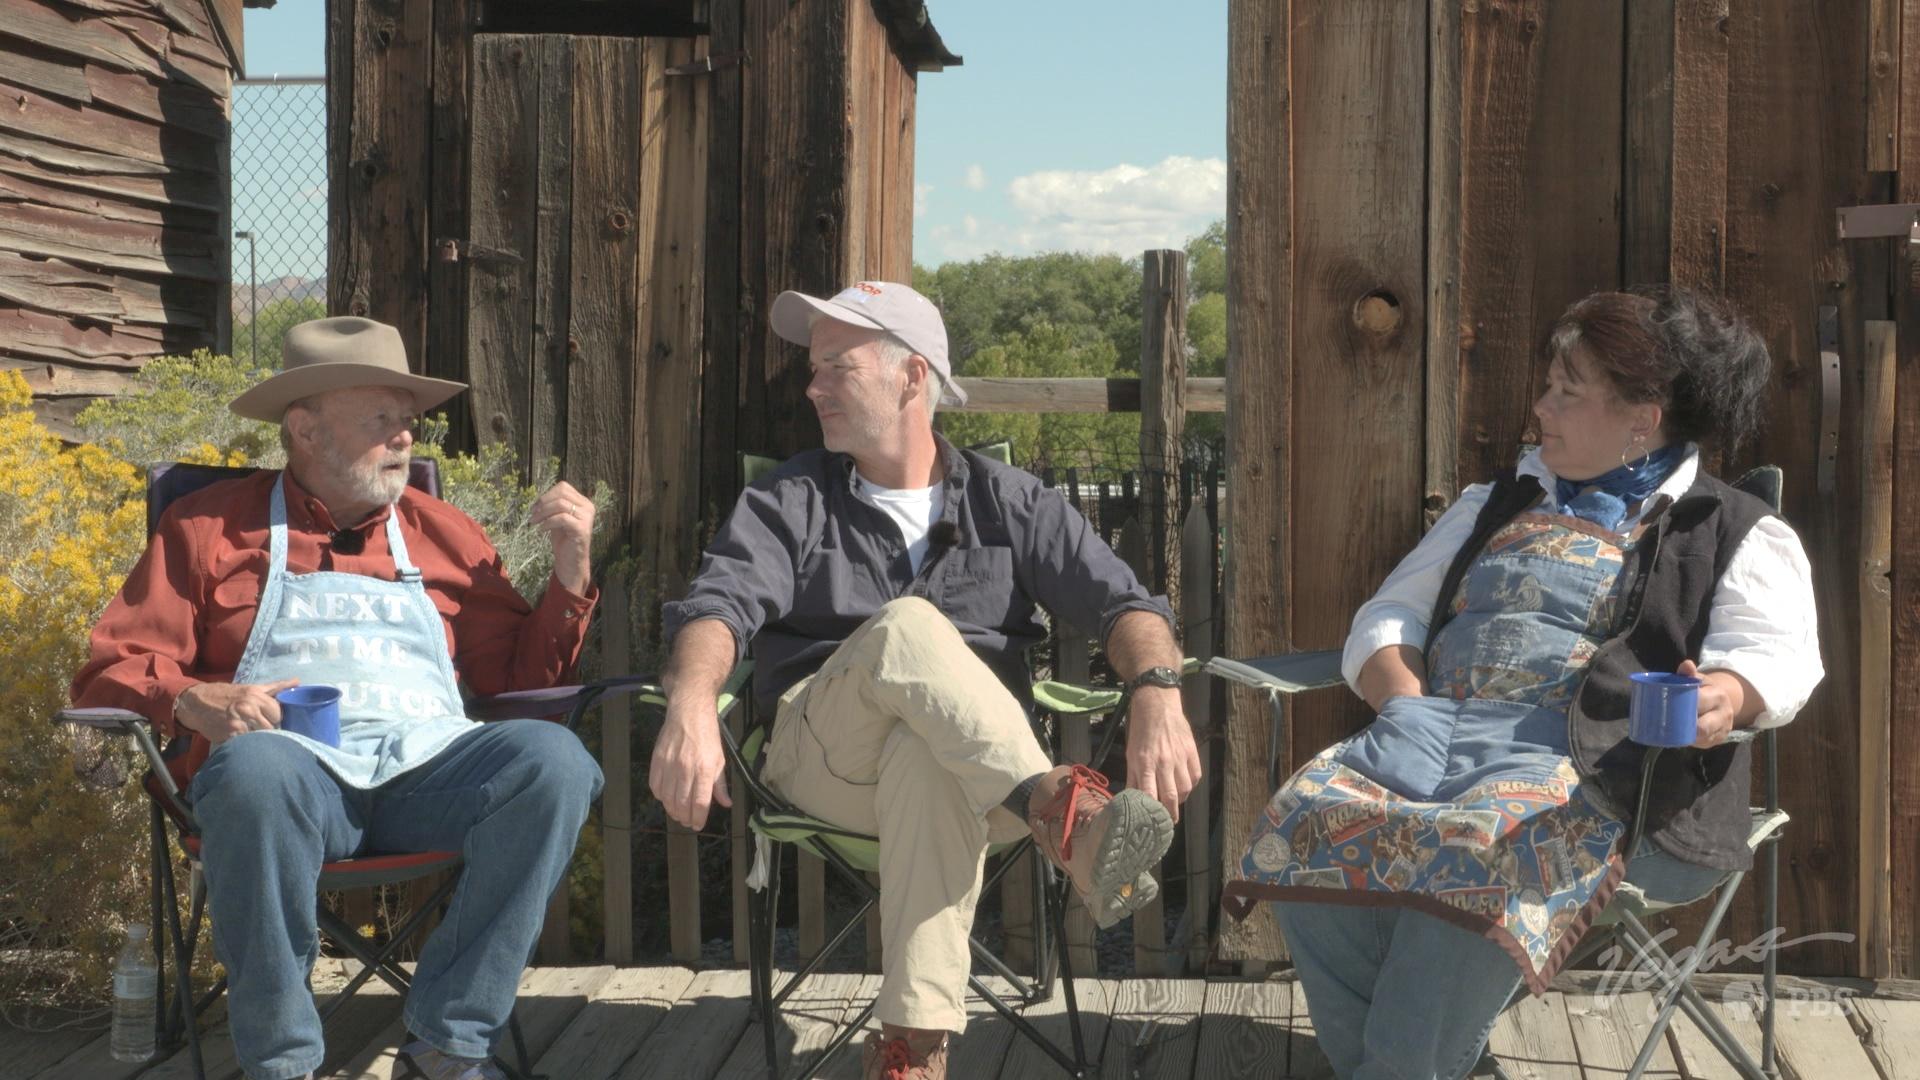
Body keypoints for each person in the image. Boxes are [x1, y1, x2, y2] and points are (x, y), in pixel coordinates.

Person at [1222, 287, 1823, 1079]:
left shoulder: (1734, 528)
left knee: (1476, 849)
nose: (1541, 406)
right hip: (1437, 738)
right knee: (1308, 820)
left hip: (1616, 778)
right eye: (1549, 385)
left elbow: (1778, 658)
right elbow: (1387, 619)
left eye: (1567, 391)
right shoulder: (1491, 504)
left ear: (1642, 415)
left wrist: (1725, 695)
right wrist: (1404, 704)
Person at [650, 281, 1203, 1079]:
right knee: (909, 627)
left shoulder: (1010, 501)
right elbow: (716, 609)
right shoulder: (789, 499)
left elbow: (1125, 605)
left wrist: (1157, 688)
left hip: (972, 781)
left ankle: (911, 1052)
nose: (812, 386)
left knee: (926, 752)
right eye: (814, 367)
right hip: (821, 762)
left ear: (912, 378)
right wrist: (694, 700)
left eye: (836, 366)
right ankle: (1065, 815)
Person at [72, 316, 606, 1080]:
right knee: (256, 773)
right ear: (307, 430)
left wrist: (571, 572)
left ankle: (450, 1046)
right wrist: (196, 700)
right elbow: (111, 667)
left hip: (429, 777)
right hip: (290, 788)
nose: (404, 441)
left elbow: (521, 687)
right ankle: (283, 1065)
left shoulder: (445, 533)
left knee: (555, 763)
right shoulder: (208, 527)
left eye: (408, 422)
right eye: (381, 421)